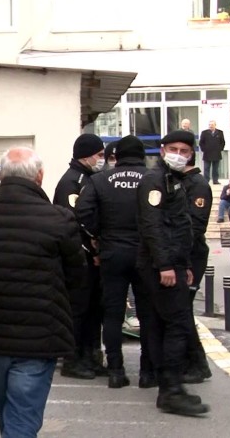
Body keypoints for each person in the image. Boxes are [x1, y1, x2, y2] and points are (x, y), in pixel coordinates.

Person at [0, 147, 85, 438]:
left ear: (2, 175)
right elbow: (77, 275)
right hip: (39, 336)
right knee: (20, 420)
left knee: (8, 415)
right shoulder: (58, 219)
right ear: (39, 176)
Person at [136, 130, 210, 416]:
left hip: (175, 263)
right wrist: (166, 265)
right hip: (161, 266)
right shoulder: (155, 180)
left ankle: (171, 388)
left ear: (191, 155)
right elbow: (152, 225)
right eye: (174, 149)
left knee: (169, 324)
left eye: (185, 151)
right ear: (163, 150)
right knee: (177, 324)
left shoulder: (173, 179)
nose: (179, 154)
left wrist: (185, 264)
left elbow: (181, 226)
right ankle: (171, 389)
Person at [76, 135, 156, 389]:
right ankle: (147, 372)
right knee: (147, 313)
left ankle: (115, 371)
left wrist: (98, 234)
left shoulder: (100, 180)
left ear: (117, 156)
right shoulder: (153, 178)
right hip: (146, 253)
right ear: (142, 156)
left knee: (112, 314)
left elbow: (83, 212)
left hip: (112, 252)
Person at [53, 133, 106, 379]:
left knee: (93, 310)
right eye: (99, 155)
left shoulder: (88, 178)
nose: (102, 160)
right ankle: (72, 360)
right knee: (78, 311)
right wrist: (92, 249)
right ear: (86, 156)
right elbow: (74, 221)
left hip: (90, 259)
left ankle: (89, 356)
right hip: (79, 259)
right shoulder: (72, 182)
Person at [181, 153, 213, 384]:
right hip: (181, 255)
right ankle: (189, 361)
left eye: (181, 151)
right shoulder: (177, 180)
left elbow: (196, 226)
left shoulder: (197, 184)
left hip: (192, 255)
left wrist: (184, 260)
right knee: (180, 310)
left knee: (183, 310)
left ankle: (198, 363)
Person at [198, 120, 225, 184]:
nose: (210, 126)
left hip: (216, 153)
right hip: (207, 153)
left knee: (215, 168)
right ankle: (206, 180)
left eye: (212, 125)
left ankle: (215, 180)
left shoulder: (220, 132)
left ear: (215, 125)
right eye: (209, 125)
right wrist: (204, 149)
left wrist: (220, 149)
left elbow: (222, 142)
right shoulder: (204, 132)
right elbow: (201, 142)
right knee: (206, 168)